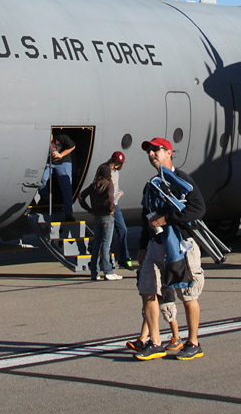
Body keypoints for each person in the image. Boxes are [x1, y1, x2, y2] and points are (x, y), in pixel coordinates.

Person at [133, 137, 205, 361]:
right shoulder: (152, 184)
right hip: (156, 245)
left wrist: (168, 218)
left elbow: (198, 208)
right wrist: (143, 246)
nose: (152, 154)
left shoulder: (182, 180)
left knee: (188, 294)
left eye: (157, 150)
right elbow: (147, 217)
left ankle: (193, 342)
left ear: (169, 153)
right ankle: (155, 342)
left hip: (181, 244)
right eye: (150, 151)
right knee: (148, 290)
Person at [79, 162, 121, 280]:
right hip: (107, 216)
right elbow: (110, 198)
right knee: (106, 245)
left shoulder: (93, 186)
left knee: (97, 244)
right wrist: (111, 209)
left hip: (97, 216)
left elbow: (81, 196)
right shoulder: (109, 185)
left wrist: (89, 209)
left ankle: (94, 272)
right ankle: (108, 271)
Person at [107, 151, 133, 269]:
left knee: (123, 229)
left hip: (115, 205)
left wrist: (120, 192)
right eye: (116, 162)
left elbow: (115, 186)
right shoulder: (105, 171)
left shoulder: (117, 173)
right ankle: (105, 259)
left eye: (120, 163)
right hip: (107, 206)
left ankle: (124, 257)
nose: (118, 165)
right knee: (107, 233)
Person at [43, 132, 77, 222]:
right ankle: (45, 199)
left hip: (63, 162)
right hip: (50, 162)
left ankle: (68, 213)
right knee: (42, 180)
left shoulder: (62, 138)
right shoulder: (44, 142)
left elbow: (72, 146)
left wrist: (61, 155)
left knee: (66, 186)